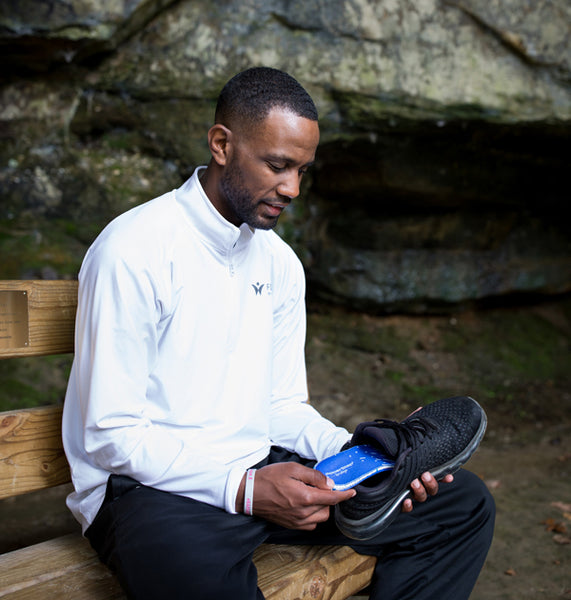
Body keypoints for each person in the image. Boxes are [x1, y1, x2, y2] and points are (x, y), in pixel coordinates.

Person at [62, 66, 495, 600]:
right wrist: (244, 491)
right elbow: (111, 434)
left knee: (462, 504)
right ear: (222, 144)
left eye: (302, 170)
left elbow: (282, 406)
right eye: (277, 165)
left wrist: (372, 460)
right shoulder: (133, 250)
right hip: (150, 494)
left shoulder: (281, 264)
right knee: (190, 573)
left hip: (260, 470)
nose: (291, 188)